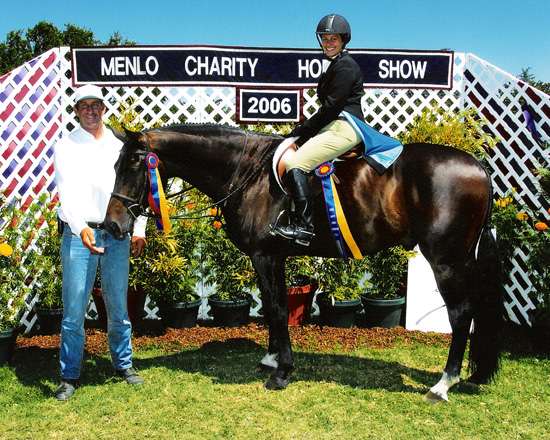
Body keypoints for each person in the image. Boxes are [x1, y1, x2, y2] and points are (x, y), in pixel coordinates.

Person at [53, 84, 148, 401]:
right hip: (80, 236)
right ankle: (69, 375)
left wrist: (140, 228)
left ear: (104, 108)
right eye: (84, 106)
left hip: (117, 235)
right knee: (74, 310)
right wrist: (80, 228)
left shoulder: (120, 144)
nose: (91, 111)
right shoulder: (66, 145)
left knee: (118, 306)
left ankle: (124, 365)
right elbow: (66, 196)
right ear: (76, 111)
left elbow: (138, 189)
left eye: (96, 105)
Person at [271, 13, 365, 246]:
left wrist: (303, 130)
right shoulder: (336, 65)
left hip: (344, 126)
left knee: (296, 164)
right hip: (334, 126)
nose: (328, 42)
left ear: (343, 40)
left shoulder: (346, 67)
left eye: (334, 38)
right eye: (325, 38)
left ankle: (304, 226)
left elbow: (331, 108)